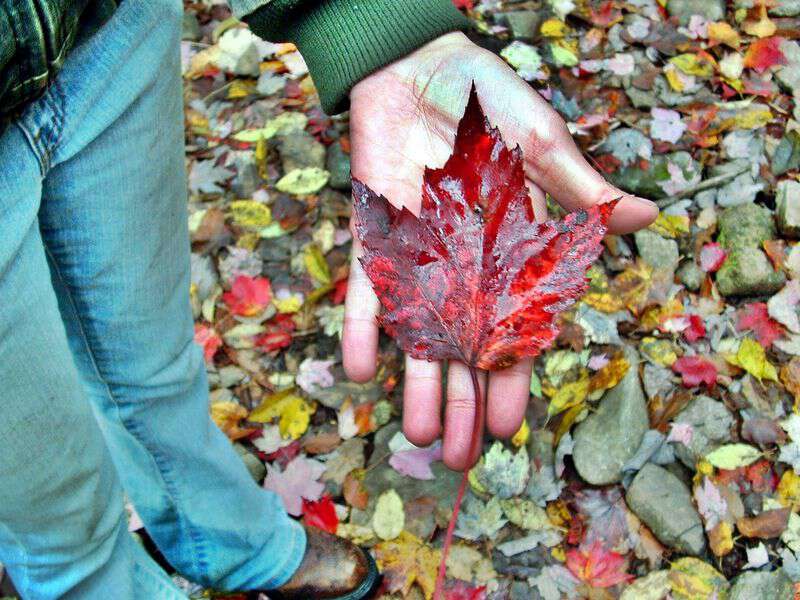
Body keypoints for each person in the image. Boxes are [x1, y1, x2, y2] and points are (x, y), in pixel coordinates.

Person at [0, 0, 659, 598]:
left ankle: (226, 538)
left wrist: (367, 19)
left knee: (151, 367)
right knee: (57, 514)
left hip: (104, 27)